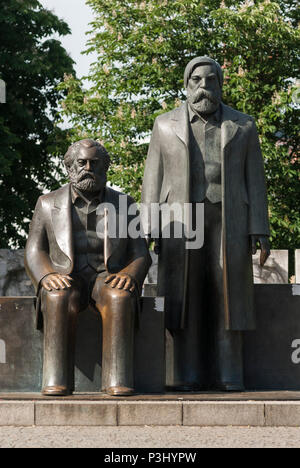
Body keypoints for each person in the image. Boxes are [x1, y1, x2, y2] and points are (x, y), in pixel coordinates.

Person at [141, 56, 270, 391]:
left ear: (220, 84)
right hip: (178, 222)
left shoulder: (243, 125)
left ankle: (230, 374)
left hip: (229, 219)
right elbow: (152, 179)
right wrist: (148, 226)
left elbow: (255, 179)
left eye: (211, 80)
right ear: (186, 85)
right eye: (196, 80)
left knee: (228, 295)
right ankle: (184, 374)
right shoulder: (164, 125)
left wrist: (260, 228)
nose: (203, 87)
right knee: (184, 296)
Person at [25, 139, 151, 396]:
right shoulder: (47, 203)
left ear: (105, 168)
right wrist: (46, 275)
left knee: (119, 296)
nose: (88, 168)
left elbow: (141, 253)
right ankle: (56, 379)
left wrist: (130, 275)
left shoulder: (125, 204)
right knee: (57, 296)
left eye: (95, 163)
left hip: (107, 275)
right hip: (65, 276)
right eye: (81, 163)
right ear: (70, 167)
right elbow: (34, 250)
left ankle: (117, 379)